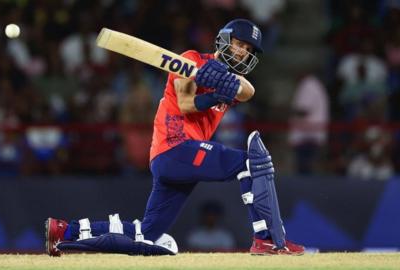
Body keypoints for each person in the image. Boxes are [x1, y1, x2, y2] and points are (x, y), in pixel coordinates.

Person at [45, 19, 304, 256]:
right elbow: (185, 104)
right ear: (224, 40)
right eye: (239, 44)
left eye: (247, 49)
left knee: (147, 234)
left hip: (176, 160)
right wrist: (212, 90)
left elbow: (248, 91)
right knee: (249, 163)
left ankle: (65, 231)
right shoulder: (190, 59)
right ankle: (266, 239)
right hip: (176, 146)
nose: (242, 52)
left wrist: (223, 82)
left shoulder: (233, 80)